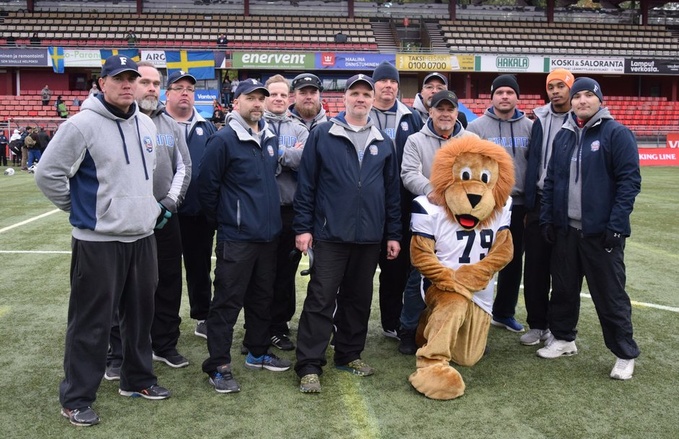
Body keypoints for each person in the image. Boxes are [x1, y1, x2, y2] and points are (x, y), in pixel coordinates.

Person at [34, 55, 171, 428]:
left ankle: (137, 380)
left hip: (142, 237)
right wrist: (85, 210)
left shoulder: (146, 123)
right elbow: (48, 174)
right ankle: (76, 398)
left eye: (132, 79)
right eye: (119, 78)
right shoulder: (81, 125)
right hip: (98, 241)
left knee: (140, 317)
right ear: (102, 83)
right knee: (91, 323)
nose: (127, 84)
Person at [293, 74, 401, 393]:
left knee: (358, 299)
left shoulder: (384, 142)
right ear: (345, 98)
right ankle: (309, 365)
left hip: (369, 237)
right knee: (321, 298)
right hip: (330, 234)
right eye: (355, 93)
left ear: (372, 100)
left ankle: (349, 354)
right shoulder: (323, 134)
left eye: (366, 94)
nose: (360, 99)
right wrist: (303, 228)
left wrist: (393, 234)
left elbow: (392, 193)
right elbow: (307, 185)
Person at [538, 77, 641, 381]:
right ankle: (563, 339)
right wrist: (548, 218)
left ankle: (624, 353)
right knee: (563, 290)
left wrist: (616, 225)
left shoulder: (616, 133)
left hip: (601, 233)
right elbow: (551, 181)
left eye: (588, 95)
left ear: (599, 99)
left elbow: (629, 182)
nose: (582, 101)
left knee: (610, 296)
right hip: (566, 231)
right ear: (571, 102)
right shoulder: (564, 136)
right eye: (577, 96)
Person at [198, 78, 291, 394]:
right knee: (227, 302)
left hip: (268, 236)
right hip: (237, 238)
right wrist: (228, 221)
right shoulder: (223, 140)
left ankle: (257, 351)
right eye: (250, 98)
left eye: (260, 98)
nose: (257, 103)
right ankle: (218, 365)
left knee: (262, 298)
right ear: (236, 102)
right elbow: (207, 187)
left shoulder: (269, 137)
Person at [106, 62, 193, 378]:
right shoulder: (113, 123)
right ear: (132, 84)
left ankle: (164, 344)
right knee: (121, 286)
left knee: (168, 282)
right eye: (145, 82)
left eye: (156, 83)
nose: (152, 88)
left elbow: (184, 167)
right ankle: (117, 353)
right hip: (125, 220)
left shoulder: (170, 125)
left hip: (165, 218)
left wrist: (168, 204)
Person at [398, 90, 478, 354]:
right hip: (428, 220)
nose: (445, 114)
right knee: (420, 276)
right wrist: (432, 190)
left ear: (457, 113)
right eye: (440, 109)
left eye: (450, 109)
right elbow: (409, 173)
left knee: (464, 275)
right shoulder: (415, 140)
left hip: (463, 221)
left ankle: (463, 331)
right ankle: (408, 329)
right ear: (430, 112)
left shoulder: (472, 141)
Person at [467, 74, 532, 333]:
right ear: (492, 96)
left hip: (519, 205)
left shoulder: (530, 127)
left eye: (510, 92)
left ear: (517, 97)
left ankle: (504, 313)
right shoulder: (476, 128)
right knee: (479, 257)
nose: (505, 96)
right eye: (500, 92)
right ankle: (473, 311)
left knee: (513, 260)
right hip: (487, 205)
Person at [521, 68, 574, 346]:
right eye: (551, 86)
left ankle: (559, 328)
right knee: (535, 268)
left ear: (570, 89)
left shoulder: (580, 119)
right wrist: (530, 203)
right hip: (540, 201)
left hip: (565, 203)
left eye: (560, 86)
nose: (555, 91)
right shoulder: (539, 120)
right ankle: (537, 324)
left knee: (564, 270)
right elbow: (532, 161)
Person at [163, 70, 218, 339]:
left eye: (190, 89)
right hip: (164, 213)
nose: (185, 93)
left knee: (200, 268)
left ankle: (202, 316)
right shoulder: (155, 124)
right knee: (165, 271)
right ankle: (164, 322)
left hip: (198, 212)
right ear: (167, 93)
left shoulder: (206, 127)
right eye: (179, 88)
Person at [370, 61, 423, 340]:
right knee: (361, 267)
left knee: (396, 266)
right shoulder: (361, 113)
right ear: (374, 85)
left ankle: (391, 321)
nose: (388, 86)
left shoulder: (411, 117)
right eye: (383, 81)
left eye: (393, 81)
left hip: (401, 202)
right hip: (367, 201)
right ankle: (347, 322)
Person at [262, 74, 309, 351]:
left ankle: (279, 327)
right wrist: (286, 154)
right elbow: (257, 158)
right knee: (260, 272)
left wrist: (275, 154)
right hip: (261, 211)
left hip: (290, 210)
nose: (278, 99)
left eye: (283, 94)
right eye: (273, 94)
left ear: (289, 98)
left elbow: (304, 158)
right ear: (265, 97)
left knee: (284, 272)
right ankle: (257, 328)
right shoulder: (255, 123)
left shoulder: (299, 128)